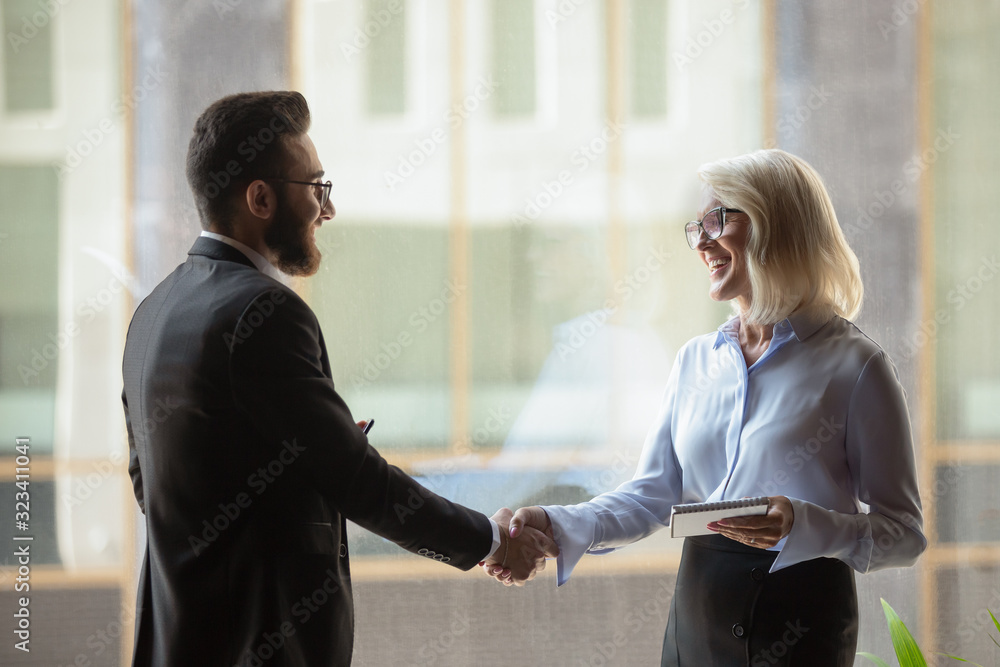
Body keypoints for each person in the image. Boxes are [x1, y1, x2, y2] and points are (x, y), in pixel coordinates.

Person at [121, 91, 556, 667]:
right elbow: (357, 482)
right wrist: (493, 542)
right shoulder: (262, 312)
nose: (328, 210)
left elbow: (149, 486)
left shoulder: (154, 311)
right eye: (316, 188)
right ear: (260, 198)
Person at [485, 149, 926, 666]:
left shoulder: (855, 366)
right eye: (695, 227)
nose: (702, 242)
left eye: (718, 219)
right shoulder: (695, 360)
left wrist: (802, 525)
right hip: (695, 626)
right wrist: (552, 523)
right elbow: (653, 495)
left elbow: (904, 535)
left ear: (775, 222)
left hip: (802, 629)